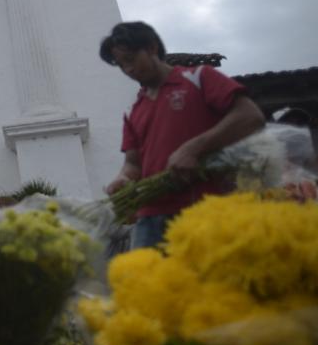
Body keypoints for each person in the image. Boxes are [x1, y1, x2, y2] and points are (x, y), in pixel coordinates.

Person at [100, 21, 264, 249]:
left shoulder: (199, 78)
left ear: (151, 47)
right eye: (121, 65)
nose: (128, 69)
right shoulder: (133, 111)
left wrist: (193, 148)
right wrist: (123, 179)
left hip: (207, 208)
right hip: (150, 219)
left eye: (130, 59)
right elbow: (133, 164)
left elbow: (250, 116)